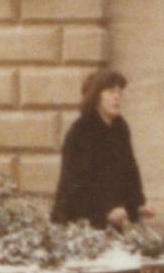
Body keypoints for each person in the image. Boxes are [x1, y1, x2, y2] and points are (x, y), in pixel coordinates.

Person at [53, 69, 147, 232]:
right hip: (79, 224)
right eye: (111, 92)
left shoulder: (120, 128)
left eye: (119, 92)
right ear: (97, 96)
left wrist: (136, 207)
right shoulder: (81, 131)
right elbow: (76, 185)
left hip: (110, 223)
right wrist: (104, 212)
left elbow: (130, 171)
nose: (117, 97)